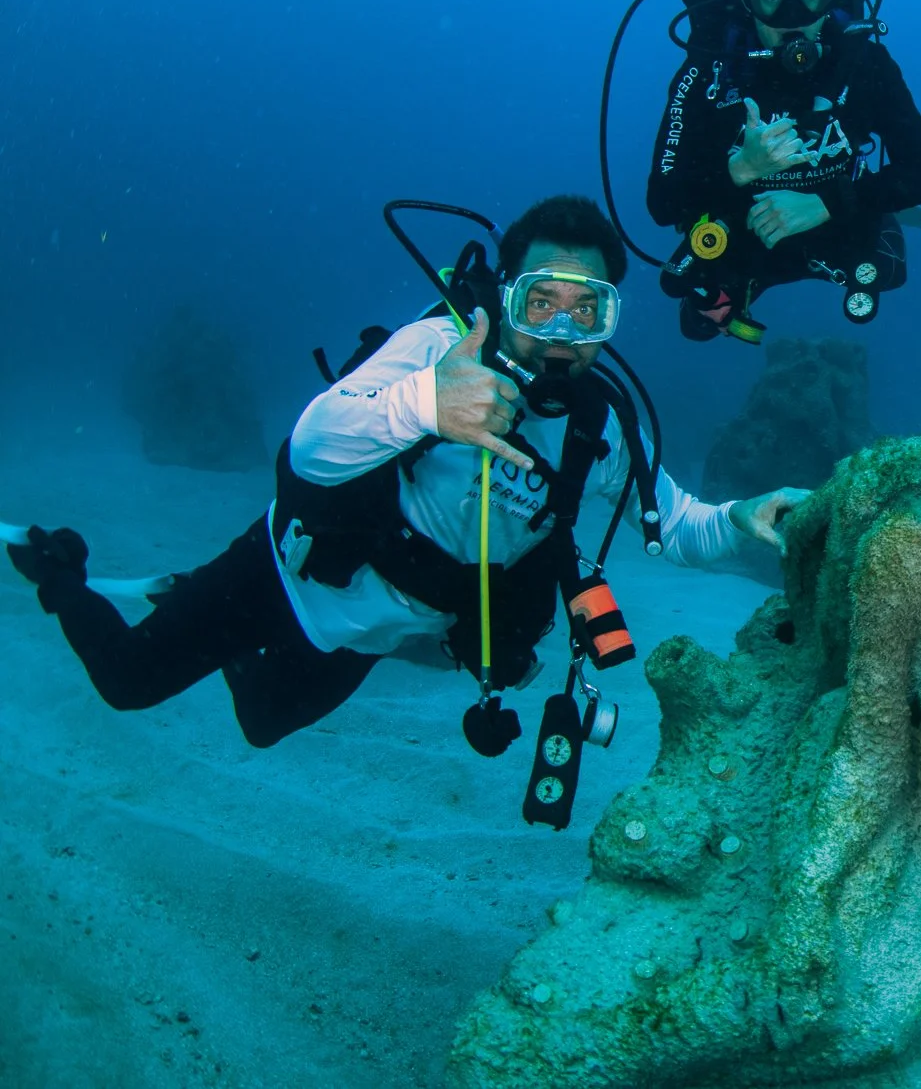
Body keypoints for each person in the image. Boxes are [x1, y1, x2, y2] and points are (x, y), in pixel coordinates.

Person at [5, 196, 805, 751]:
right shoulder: (437, 351)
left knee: (260, 719)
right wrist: (426, 405)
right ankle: (60, 573)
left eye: (586, 309)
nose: (560, 332)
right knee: (127, 681)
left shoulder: (601, 428)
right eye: (540, 302)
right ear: (504, 294)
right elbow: (310, 448)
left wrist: (744, 517)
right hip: (289, 572)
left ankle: (191, 601)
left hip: (374, 632)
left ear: (609, 320)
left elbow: (681, 524)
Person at [647, 0, 921, 343]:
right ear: (748, 2)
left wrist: (826, 202)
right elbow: (661, 203)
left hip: (837, 217)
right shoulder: (709, 72)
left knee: (889, 273)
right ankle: (744, 285)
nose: (792, 18)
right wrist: (741, 169)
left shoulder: (866, 64)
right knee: (698, 319)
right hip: (743, 225)